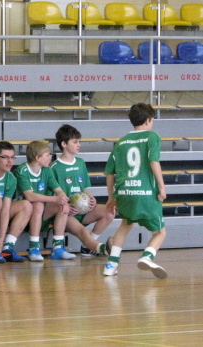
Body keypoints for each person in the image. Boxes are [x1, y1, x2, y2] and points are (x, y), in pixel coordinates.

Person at [103, 103, 168, 279]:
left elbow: (109, 172)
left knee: (125, 226)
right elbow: (154, 162)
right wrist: (162, 187)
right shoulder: (152, 137)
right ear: (148, 120)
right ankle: (147, 256)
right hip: (146, 194)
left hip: (124, 193)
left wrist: (111, 197)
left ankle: (111, 265)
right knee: (160, 232)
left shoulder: (121, 142)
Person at [50, 124, 114, 257]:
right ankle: (101, 248)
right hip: (65, 213)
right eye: (75, 142)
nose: (79, 144)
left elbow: (84, 188)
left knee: (110, 210)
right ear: (64, 144)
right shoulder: (54, 167)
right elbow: (52, 196)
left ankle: (88, 247)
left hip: (82, 209)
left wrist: (91, 198)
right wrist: (65, 204)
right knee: (82, 231)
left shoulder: (80, 163)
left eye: (79, 141)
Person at [13, 140, 74, 261]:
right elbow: (29, 196)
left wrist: (63, 200)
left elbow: (59, 190)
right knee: (38, 204)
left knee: (61, 206)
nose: (51, 157)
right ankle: (33, 248)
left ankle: (58, 248)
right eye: (47, 155)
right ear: (37, 158)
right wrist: (55, 199)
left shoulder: (47, 170)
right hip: (20, 215)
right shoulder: (22, 171)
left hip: (38, 214)